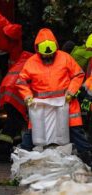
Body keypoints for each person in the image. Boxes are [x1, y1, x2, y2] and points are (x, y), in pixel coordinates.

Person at [16, 28, 92, 165]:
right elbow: (21, 81)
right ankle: (22, 160)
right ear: (38, 50)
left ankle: (88, 160)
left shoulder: (65, 58)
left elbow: (78, 74)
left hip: (65, 103)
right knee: (33, 133)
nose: (48, 57)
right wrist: (27, 96)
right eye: (45, 55)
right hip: (41, 105)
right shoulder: (31, 62)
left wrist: (71, 91)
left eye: (50, 54)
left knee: (76, 131)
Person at [0, 51, 33, 162]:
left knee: (14, 125)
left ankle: (14, 150)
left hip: (8, 94)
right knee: (11, 126)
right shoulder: (33, 64)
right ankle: (2, 153)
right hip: (15, 96)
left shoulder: (21, 61)